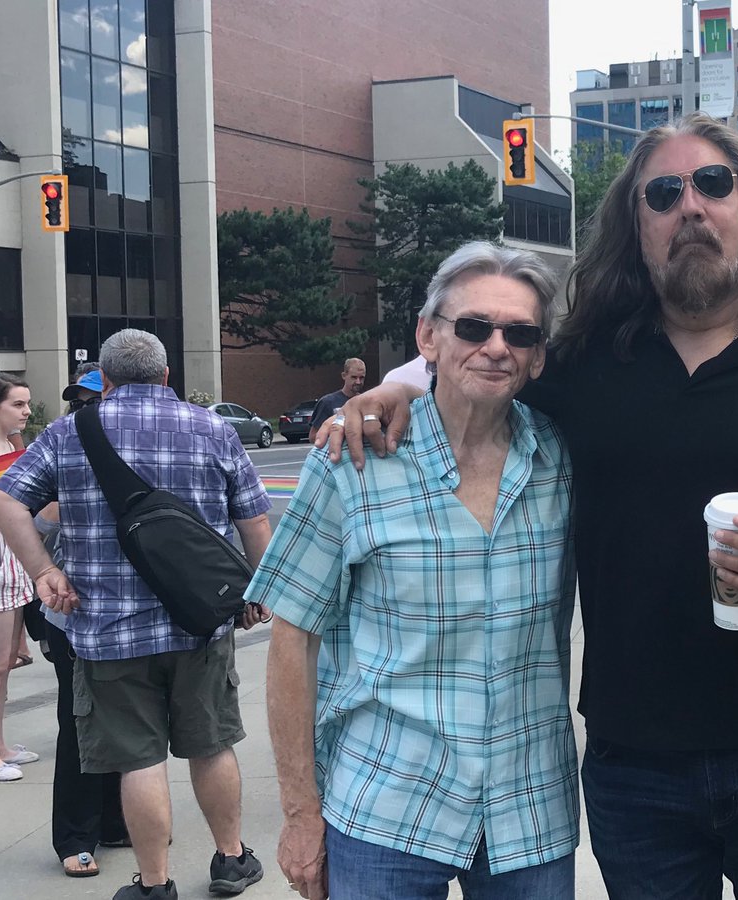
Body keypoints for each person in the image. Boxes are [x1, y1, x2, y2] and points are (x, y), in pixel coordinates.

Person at [321, 113, 738, 899]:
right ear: (637, 228)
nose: (690, 208)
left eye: (713, 184)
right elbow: (481, 360)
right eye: (662, 194)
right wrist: (393, 387)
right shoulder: (586, 363)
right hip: (635, 770)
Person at [250, 243, 577, 900]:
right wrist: (300, 815)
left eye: (520, 333)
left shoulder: (565, 457)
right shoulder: (352, 460)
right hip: (386, 803)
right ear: (429, 335)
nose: (496, 347)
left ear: (539, 354)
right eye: (474, 327)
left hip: (529, 808)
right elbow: (293, 640)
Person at [0, 329, 274, 900]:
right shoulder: (213, 429)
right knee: (211, 744)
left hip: (106, 628)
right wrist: (257, 592)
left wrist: (44, 571)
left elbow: (7, 498)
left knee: (138, 759)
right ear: (166, 376)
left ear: (107, 379)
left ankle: (154, 884)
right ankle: (229, 860)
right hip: (200, 624)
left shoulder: (69, 432)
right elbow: (254, 523)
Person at [33, 364, 131, 877]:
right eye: (80, 400)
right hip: (71, 612)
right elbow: (23, 520)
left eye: (95, 398)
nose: (87, 409)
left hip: (127, 610)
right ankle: (76, 833)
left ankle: (116, 821)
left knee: (127, 722)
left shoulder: (143, 444)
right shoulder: (60, 450)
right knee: (78, 721)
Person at [0, 372, 37, 783]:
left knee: (4, 665)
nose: (26, 411)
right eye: (18, 405)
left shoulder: (14, 445)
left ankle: (1, 745)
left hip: (11, 559)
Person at [308, 357, 367, 440]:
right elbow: (313, 437)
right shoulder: (327, 402)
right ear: (344, 376)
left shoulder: (366, 402)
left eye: (361, 378)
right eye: (354, 377)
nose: (358, 382)